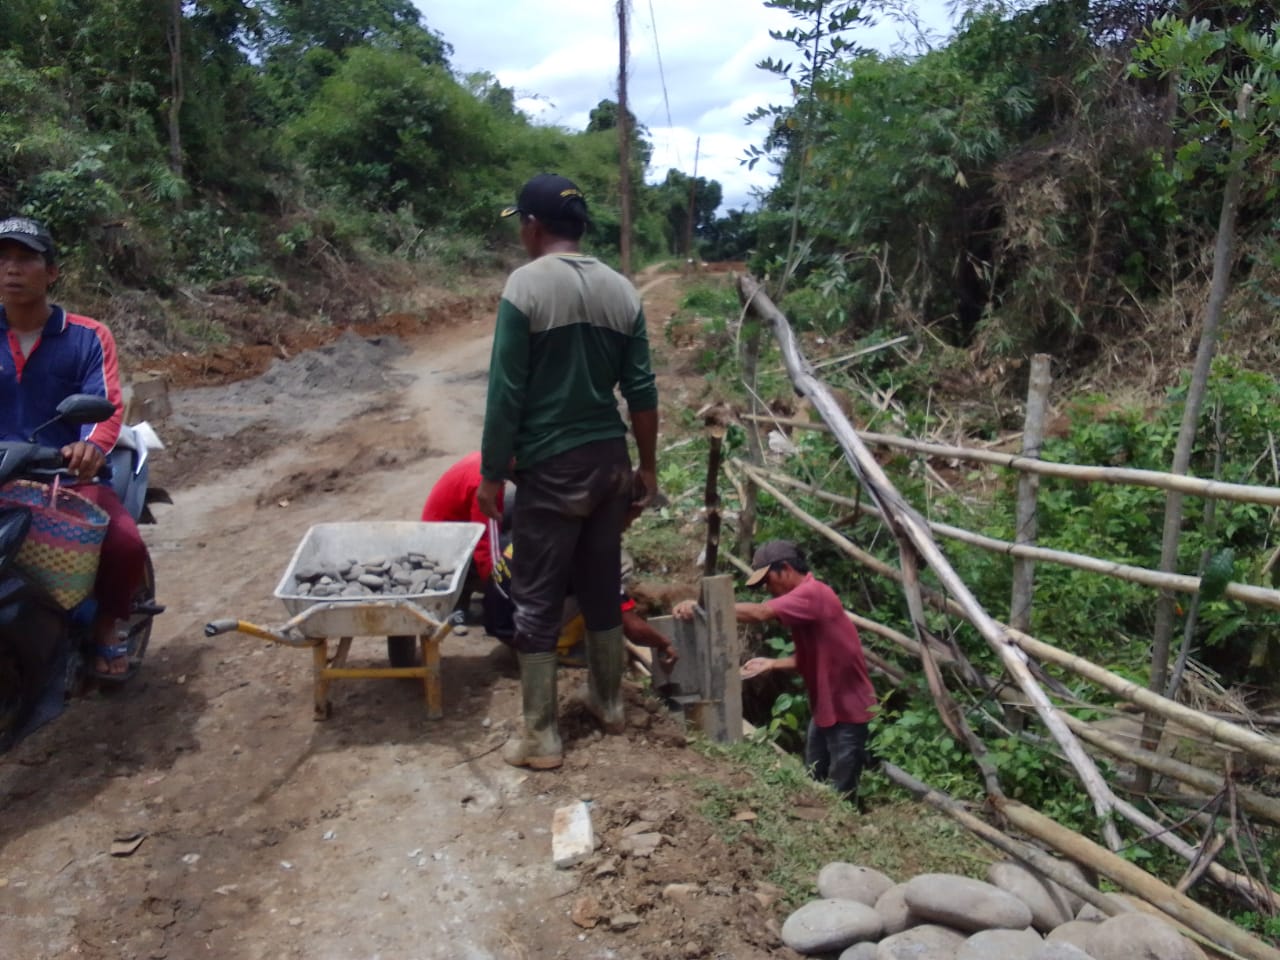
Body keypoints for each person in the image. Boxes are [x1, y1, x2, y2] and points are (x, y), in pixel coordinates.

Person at [477, 173, 658, 770]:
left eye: (521, 226)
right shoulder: (622, 291)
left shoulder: (525, 286)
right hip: (610, 461)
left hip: (551, 468)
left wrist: (491, 472)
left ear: (532, 226)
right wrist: (647, 468)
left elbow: (506, 390)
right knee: (601, 584)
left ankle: (540, 736)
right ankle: (609, 704)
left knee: (536, 596)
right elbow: (641, 391)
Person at [0, 216, 147, 679]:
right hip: (2, 477)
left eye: (25, 259)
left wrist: (88, 449)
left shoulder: (87, 335)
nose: (11, 270)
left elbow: (106, 403)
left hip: (64, 478)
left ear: (52, 272)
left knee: (124, 544)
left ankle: (107, 629)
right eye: (2, 260)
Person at [674, 540, 877, 800]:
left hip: (848, 710)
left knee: (841, 791)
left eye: (768, 581)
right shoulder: (803, 606)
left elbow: (760, 612)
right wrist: (772, 664)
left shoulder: (812, 594)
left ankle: (847, 832)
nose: (768, 589)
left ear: (786, 569)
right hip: (827, 707)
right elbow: (808, 660)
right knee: (813, 778)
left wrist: (705, 609)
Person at [420, 451, 505, 608]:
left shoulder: (489, 461)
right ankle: (461, 589)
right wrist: (503, 586)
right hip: (442, 555)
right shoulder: (486, 487)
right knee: (511, 551)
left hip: (443, 533)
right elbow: (485, 547)